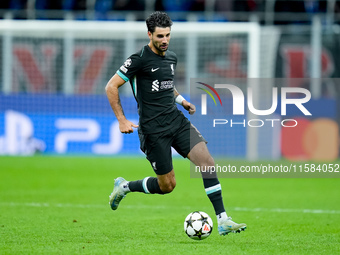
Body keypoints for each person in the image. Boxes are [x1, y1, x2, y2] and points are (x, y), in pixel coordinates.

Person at [105, 11, 246, 236]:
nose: (165, 40)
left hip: (176, 121)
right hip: (153, 131)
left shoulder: (171, 57)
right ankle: (124, 187)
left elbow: (167, 85)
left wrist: (182, 101)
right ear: (149, 34)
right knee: (167, 186)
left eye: (168, 35)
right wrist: (122, 120)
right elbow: (111, 86)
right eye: (160, 36)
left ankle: (224, 220)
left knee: (207, 162)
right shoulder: (138, 59)